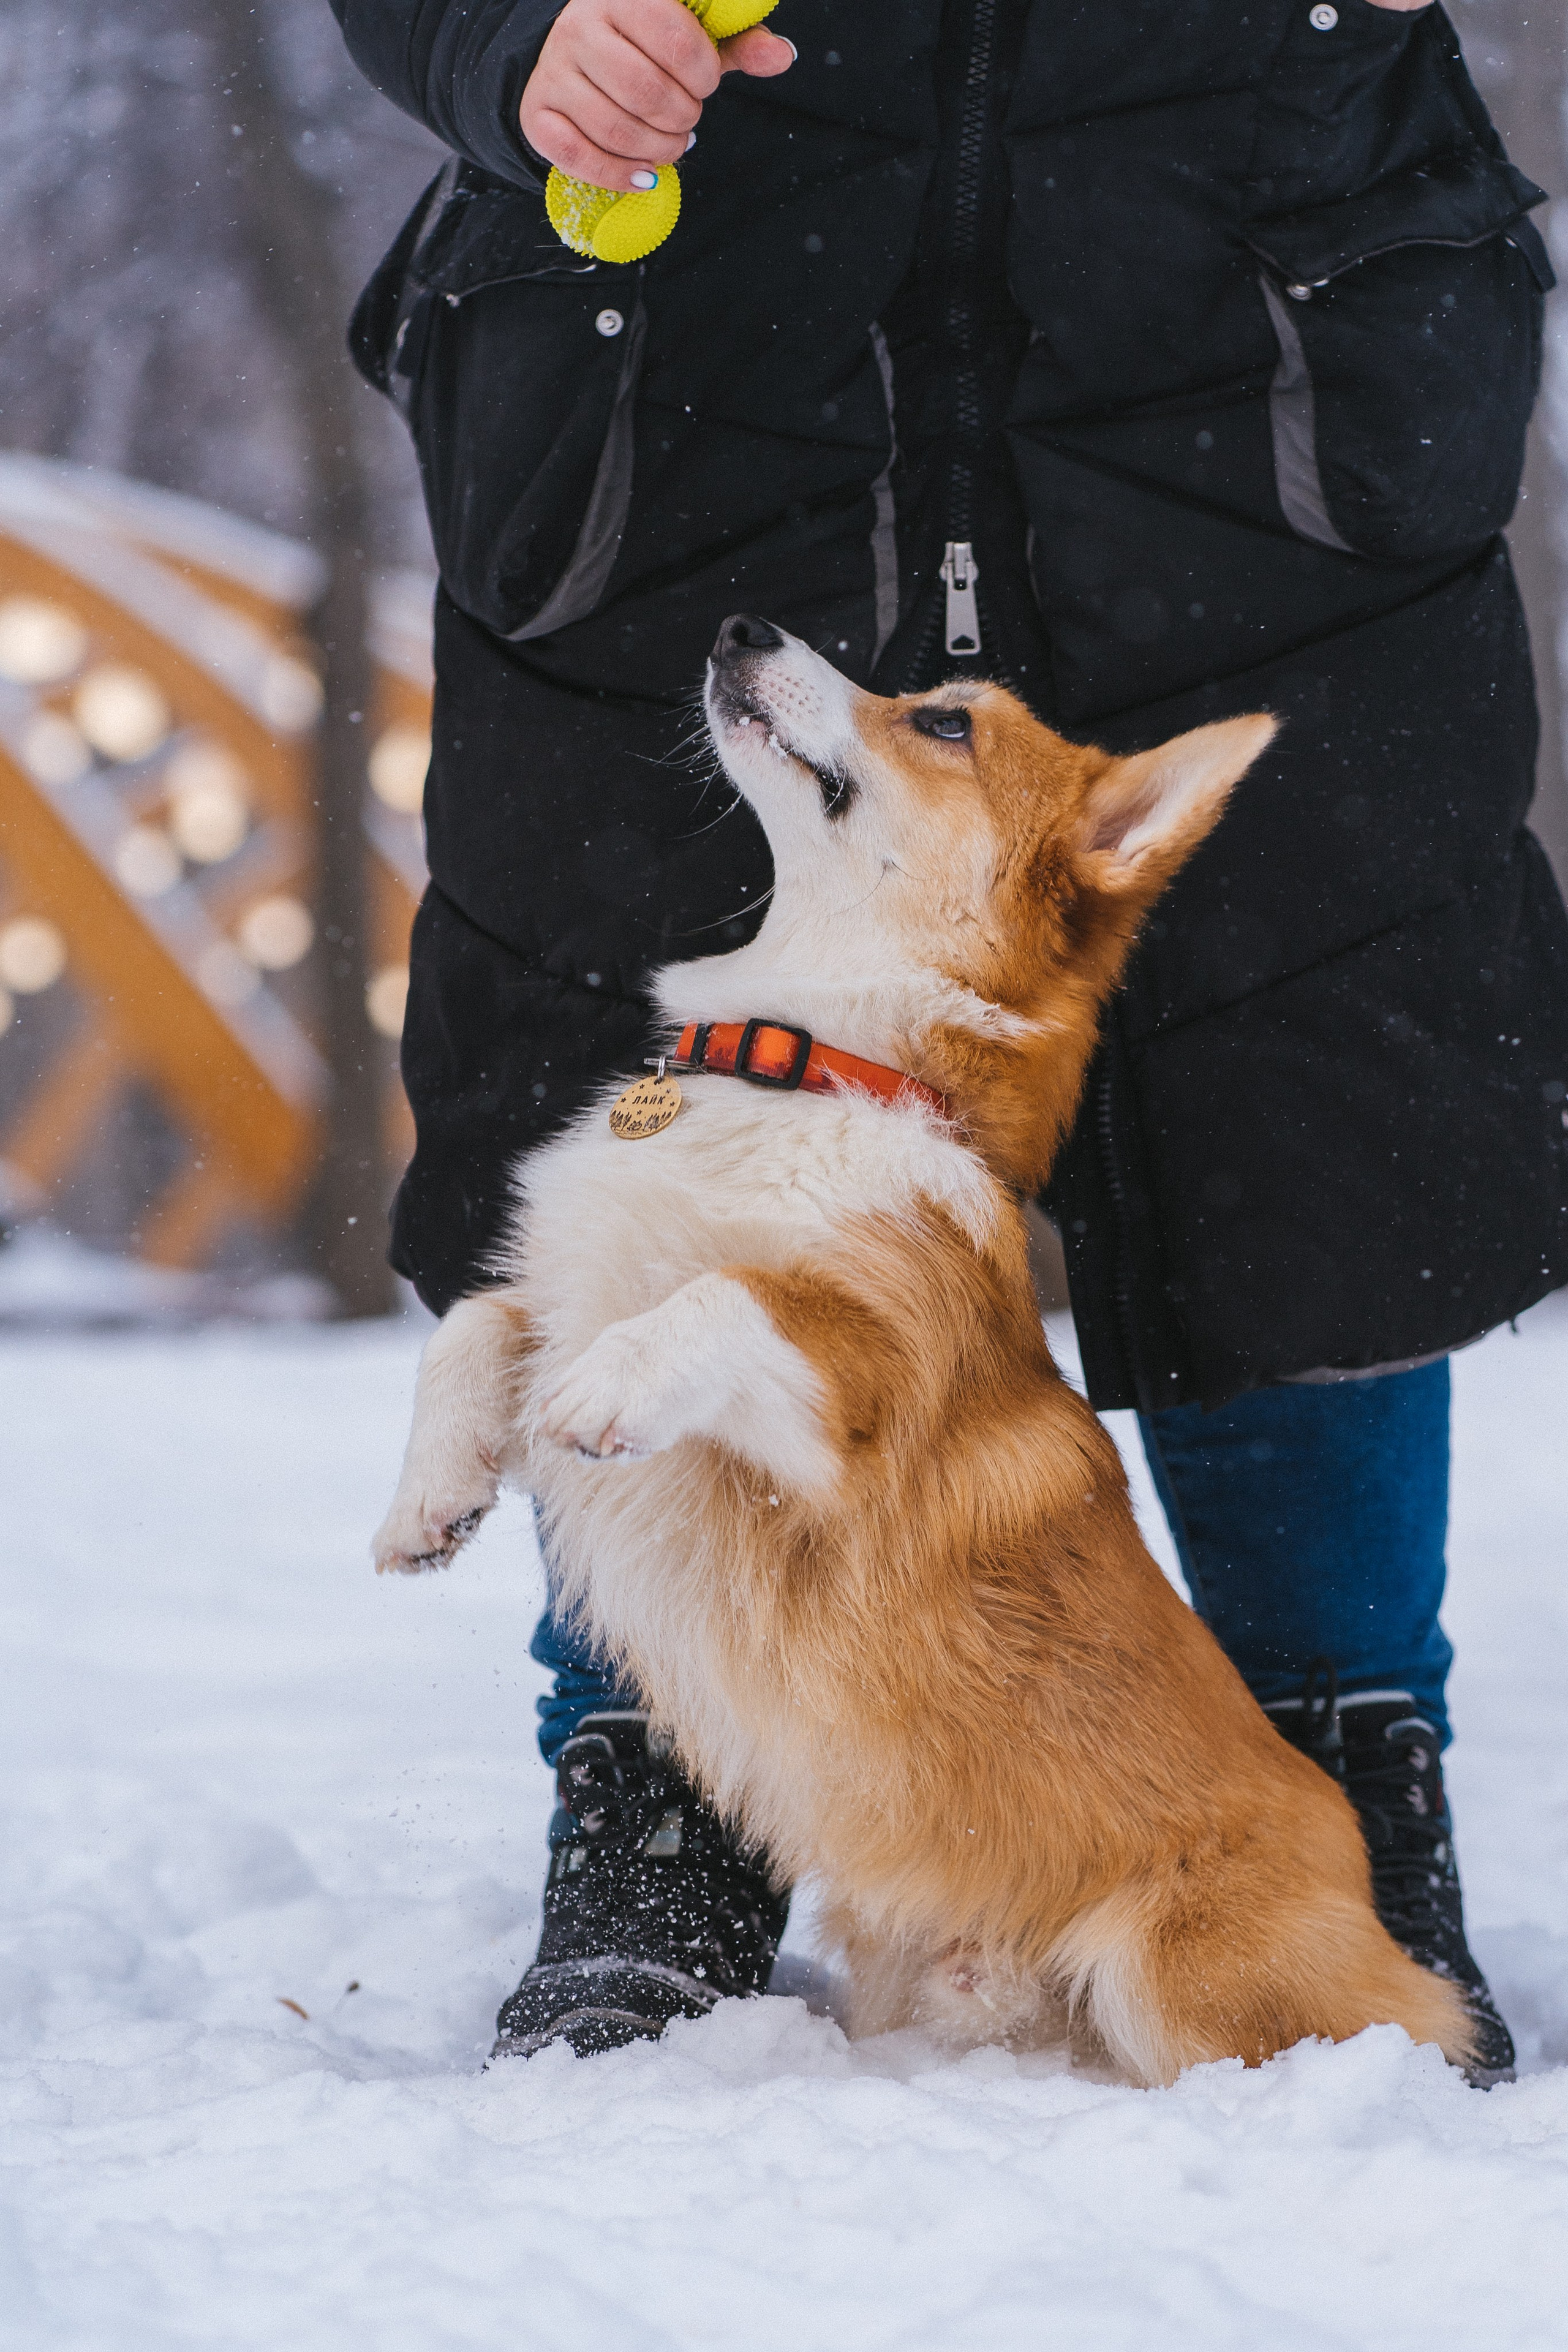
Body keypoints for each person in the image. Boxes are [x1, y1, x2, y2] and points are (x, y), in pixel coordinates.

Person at [331, 0, 1568, 2078]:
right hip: (688, 347)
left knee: (1320, 1047)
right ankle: (655, 1786)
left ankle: (1340, 1754)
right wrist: (498, 33)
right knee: (617, 1036)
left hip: (1263, 305)